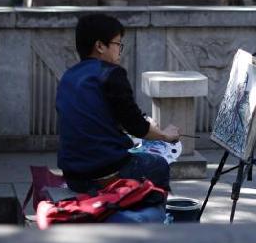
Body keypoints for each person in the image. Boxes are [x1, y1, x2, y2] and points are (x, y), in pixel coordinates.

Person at [56, 14, 180, 195]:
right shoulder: (110, 73)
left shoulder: (69, 76)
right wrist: (164, 134)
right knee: (158, 165)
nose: (119, 51)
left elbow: (93, 119)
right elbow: (136, 126)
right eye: (117, 44)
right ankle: (155, 220)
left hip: (73, 175)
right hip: (104, 172)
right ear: (100, 46)